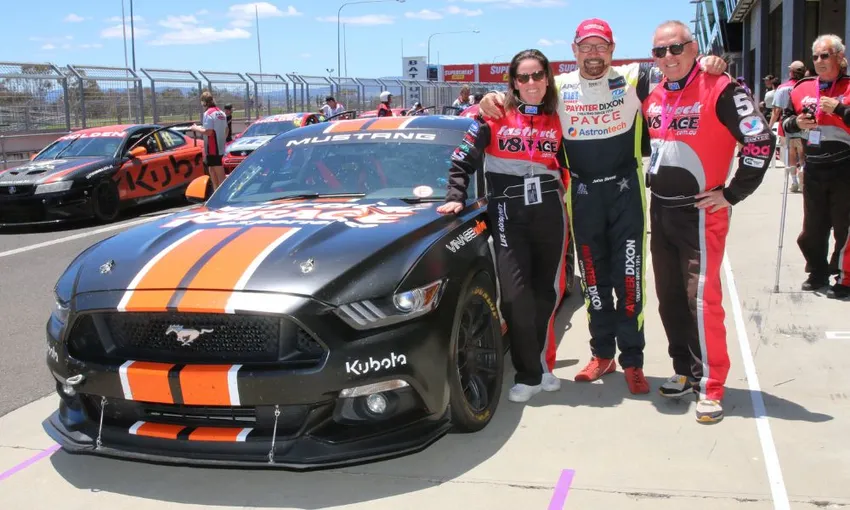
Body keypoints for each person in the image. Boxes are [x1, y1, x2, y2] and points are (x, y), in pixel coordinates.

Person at [478, 18, 727, 394]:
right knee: (594, 281)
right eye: (586, 46)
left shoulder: (634, 77)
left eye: (601, 46)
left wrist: (709, 64)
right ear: (574, 50)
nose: (594, 54)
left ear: (612, 50)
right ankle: (601, 354)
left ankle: (633, 361)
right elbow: (514, 104)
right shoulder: (556, 87)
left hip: (626, 194)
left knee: (630, 282)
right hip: (582, 195)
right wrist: (489, 99)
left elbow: (679, 74)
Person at [643, 20, 775, 423]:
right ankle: (684, 370)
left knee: (700, 300)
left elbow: (760, 141)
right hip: (660, 209)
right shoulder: (653, 93)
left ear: (694, 48)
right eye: (660, 52)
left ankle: (711, 385)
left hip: (701, 212)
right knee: (669, 297)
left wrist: (732, 193)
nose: (668, 57)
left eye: (676, 48)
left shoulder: (722, 87)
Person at [437, 49, 569, 403]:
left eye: (537, 75)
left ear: (547, 78)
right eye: (523, 77)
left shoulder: (560, 116)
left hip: (550, 210)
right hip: (508, 210)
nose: (531, 83)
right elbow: (461, 160)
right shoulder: (493, 113)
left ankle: (540, 367)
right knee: (514, 295)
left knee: (547, 293)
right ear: (513, 81)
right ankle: (527, 372)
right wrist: (455, 195)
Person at [781, 34, 850, 299]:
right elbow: (786, 123)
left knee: (845, 226)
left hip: (845, 167)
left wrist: (841, 109)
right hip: (814, 167)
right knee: (813, 227)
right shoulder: (802, 88)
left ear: (839, 58)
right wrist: (797, 123)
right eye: (816, 56)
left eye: (826, 55)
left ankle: (845, 277)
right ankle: (817, 271)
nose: (820, 61)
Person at [773, 61, 808, 192]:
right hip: (804, 124)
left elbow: (776, 111)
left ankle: (793, 181)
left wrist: (770, 126)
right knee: (802, 153)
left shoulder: (782, 88)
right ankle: (803, 172)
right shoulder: (806, 86)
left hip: (787, 126)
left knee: (790, 155)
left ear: (791, 72)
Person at [190, 91, 228, 190]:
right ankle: (216, 193)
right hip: (220, 146)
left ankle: (223, 194)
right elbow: (226, 129)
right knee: (212, 170)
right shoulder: (221, 112)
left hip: (212, 147)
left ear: (203, 102)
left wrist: (195, 128)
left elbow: (209, 132)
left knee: (219, 172)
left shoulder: (208, 113)